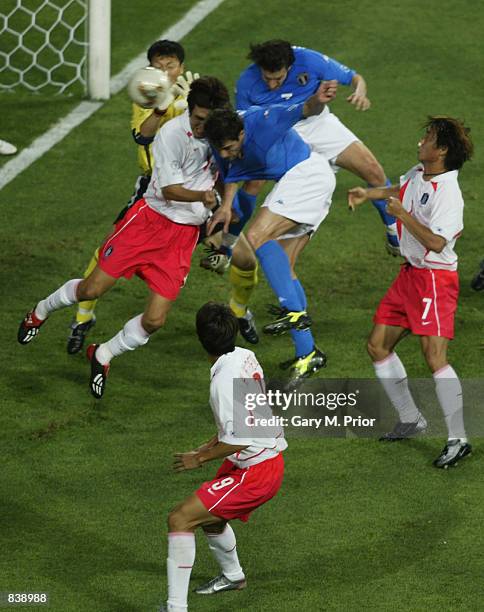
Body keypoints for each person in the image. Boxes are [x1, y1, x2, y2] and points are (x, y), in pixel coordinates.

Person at [18, 77, 231, 399]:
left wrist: (222, 215)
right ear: (190, 111)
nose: (204, 127)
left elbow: (238, 169)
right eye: (199, 120)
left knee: (156, 320)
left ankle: (102, 354)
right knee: (92, 288)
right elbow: (170, 190)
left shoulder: (222, 132)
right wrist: (206, 197)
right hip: (148, 223)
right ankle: (41, 311)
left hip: (182, 238)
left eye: (209, 121)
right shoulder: (172, 135)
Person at [67, 40, 259, 351]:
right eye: (158, 67)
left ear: (181, 68)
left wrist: (225, 202)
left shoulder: (201, 103)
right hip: (156, 194)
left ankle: (239, 311)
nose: (164, 72)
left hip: (201, 200)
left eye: (170, 66)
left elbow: (227, 156)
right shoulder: (147, 95)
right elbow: (142, 134)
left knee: (245, 257)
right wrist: (163, 105)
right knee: (108, 250)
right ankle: (82, 316)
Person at [348, 116, 474, 468]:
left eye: (429, 138)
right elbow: (399, 190)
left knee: (435, 357)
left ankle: (459, 437)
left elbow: (435, 242)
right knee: (377, 345)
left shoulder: (449, 193)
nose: (421, 142)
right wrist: (367, 193)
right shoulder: (420, 171)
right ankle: (410, 418)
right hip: (410, 276)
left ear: (443, 150)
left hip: (435, 279)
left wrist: (402, 216)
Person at [205, 81, 338, 386]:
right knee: (284, 265)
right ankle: (308, 352)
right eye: (220, 149)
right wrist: (226, 206)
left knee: (255, 241)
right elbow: (232, 174)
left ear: (241, 134)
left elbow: (304, 109)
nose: (226, 153)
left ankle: (295, 314)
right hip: (300, 182)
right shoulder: (219, 143)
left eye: (230, 147)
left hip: (306, 176)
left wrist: (317, 99)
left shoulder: (263, 120)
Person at [159, 302, 286, 611]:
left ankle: (176, 609)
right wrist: (210, 444)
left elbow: (239, 438)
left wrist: (198, 459)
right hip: (261, 459)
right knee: (210, 519)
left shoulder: (220, 383)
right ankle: (233, 575)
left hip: (256, 472)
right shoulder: (245, 356)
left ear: (200, 338)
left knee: (180, 518)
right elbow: (249, 411)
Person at [224, 39, 399, 255]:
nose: (271, 84)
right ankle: (227, 245)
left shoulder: (310, 60)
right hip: (277, 129)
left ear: (289, 66)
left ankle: (394, 234)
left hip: (316, 122)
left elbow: (355, 78)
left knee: (372, 169)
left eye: (277, 79)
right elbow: (244, 122)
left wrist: (360, 92)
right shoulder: (246, 82)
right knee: (253, 183)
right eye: (266, 78)